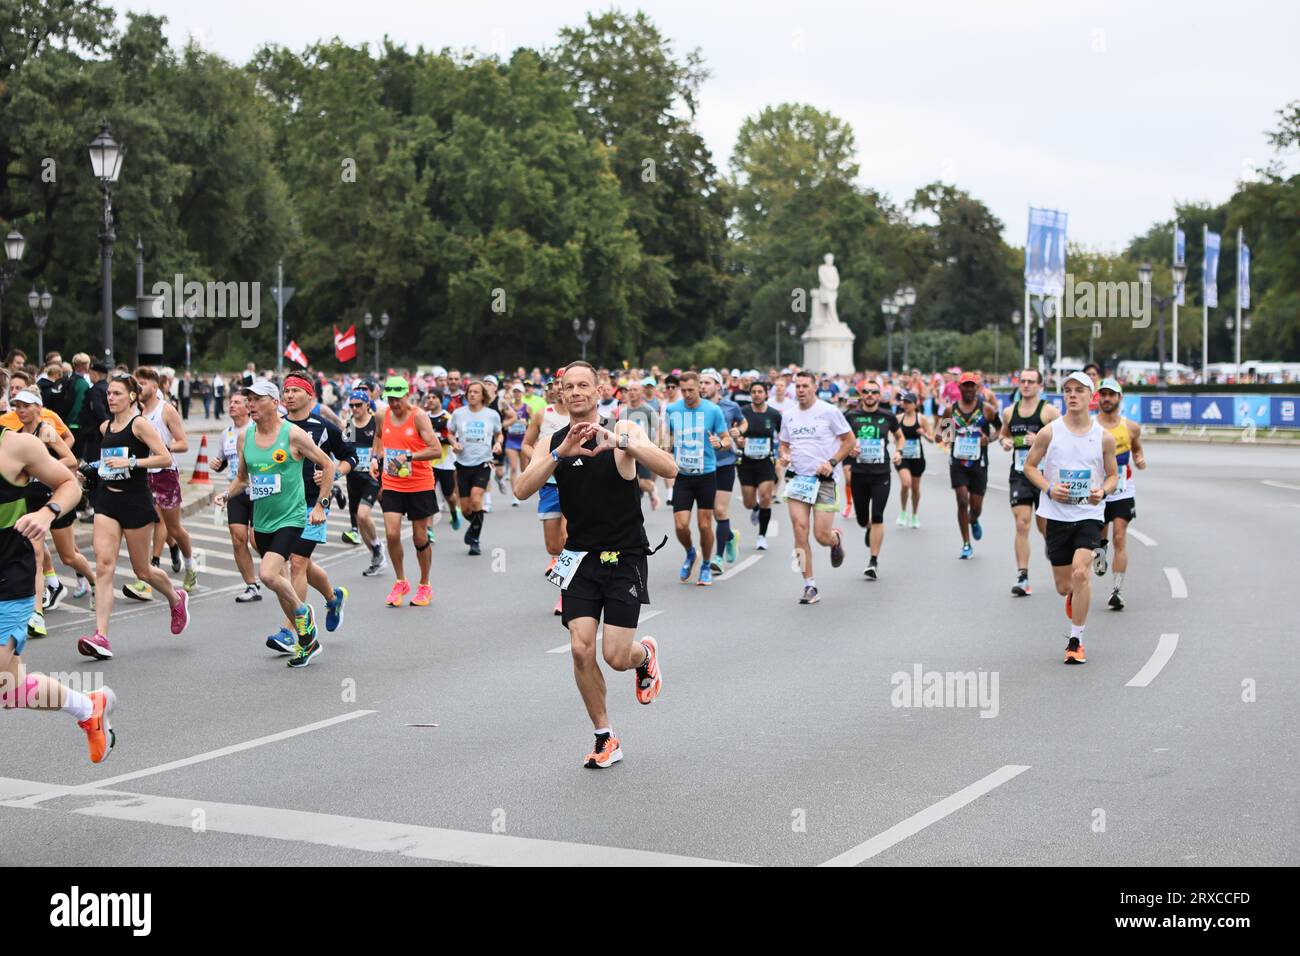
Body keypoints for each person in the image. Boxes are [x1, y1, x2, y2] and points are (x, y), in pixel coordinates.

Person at [513, 361, 676, 769]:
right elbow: (521, 489)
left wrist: (623, 444)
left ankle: (644, 657)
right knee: (581, 649)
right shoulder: (551, 439)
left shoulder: (623, 429)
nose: (576, 393)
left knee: (616, 656)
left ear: (598, 391)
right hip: (579, 557)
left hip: (625, 556)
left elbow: (670, 468)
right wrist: (558, 455)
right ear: (561, 395)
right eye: (568, 387)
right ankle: (605, 736)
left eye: (583, 385)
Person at [0, 416, 117, 763]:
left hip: (9, 581)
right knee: (9, 689)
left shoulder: (16, 446)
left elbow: (70, 483)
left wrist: (47, 513)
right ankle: (88, 707)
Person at [215, 381, 336, 668]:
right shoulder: (246, 437)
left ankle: (303, 615)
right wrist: (226, 493)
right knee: (279, 584)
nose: (250, 405)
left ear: (273, 401)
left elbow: (327, 465)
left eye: (256, 399)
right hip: (263, 520)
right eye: (248, 400)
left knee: (268, 574)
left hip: (291, 518)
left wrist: (321, 504)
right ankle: (306, 642)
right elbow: (243, 477)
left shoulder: (293, 434)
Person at [77, 374, 191, 660]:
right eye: (109, 394)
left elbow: (164, 457)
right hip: (107, 500)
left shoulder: (139, 424)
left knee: (143, 571)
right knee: (104, 566)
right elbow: (107, 462)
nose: (110, 398)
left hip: (136, 501)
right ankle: (101, 636)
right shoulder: (106, 426)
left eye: (116, 393)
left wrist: (132, 462)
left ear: (131, 396)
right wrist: (91, 469)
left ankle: (176, 598)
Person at [1023, 372, 1118, 664]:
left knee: (1081, 573)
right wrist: (1049, 488)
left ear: (1091, 397)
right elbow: (1029, 467)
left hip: (1089, 514)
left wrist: (1102, 491)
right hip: (1056, 516)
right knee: (1065, 585)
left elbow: (1113, 476)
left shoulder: (1104, 438)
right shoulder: (1049, 432)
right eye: (1067, 390)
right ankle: (1074, 596)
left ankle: (1076, 639)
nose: (1072, 395)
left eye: (1079, 390)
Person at [280, 374, 352, 640]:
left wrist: (334, 475)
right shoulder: (278, 427)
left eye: (295, 390)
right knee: (302, 562)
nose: (288, 395)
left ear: (310, 395)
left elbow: (349, 456)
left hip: (314, 503)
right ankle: (333, 598)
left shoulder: (325, 427)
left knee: (297, 562)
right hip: (283, 505)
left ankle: (293, 630)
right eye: (285, 390)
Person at [11, 390, 94, 615]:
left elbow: (69, 459)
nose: (20, 410)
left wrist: (44, 465)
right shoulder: (17, 436)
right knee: (35, 553)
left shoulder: (45, 431)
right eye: (17, 406)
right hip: (30, 499)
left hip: (54, 497)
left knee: (68, 556)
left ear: (38, 407)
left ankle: (95, 581)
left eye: (25, 406)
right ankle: (36, 613)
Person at [777, 371, 854, 604]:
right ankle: (809, 585)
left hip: (824, 481)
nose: (800, 390)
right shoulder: (788, 415)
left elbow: (849, 440)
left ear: (814, 387)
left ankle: (834, 540)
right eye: (797, 386)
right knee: (799, 530)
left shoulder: (829, 411)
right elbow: (784, 444)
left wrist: (831, 463)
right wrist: (784, 455)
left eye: (805, 386)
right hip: (798, 480)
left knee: (820, 536)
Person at [370, 376, 440, 605]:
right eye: (390, 398)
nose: (394, 403)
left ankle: (425, 584)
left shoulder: (418, 416)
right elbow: (378, 438)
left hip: (419, 483)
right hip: (392, 482)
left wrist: (409, 456)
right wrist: (374, 458)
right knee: (391, 533)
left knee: (420, 536)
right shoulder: (382, 414)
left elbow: (435, 449)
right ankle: (400, 581)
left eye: (398, 398)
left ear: (406, 395)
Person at [663, 371, 729, 586]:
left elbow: (726, 438)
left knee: (704, 525)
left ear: (699, 387)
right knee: (681, 526)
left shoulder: (713, 410)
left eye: (691, 390)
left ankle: (707, 564)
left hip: (706, 475)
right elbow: (667, 437)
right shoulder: (673, 410)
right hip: (682, 475)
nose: (688, 394)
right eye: (684, 391)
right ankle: (691, 553)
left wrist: (721, 443)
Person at [999, 368, 1060, 595]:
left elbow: (1064, 439)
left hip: (1043, 477)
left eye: (1031, 382)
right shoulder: (1009, 412)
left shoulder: (1049, 413)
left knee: (1044, 525)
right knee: (1021, 523)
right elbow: (1003, 433)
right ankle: (1022, 576)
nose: (1025, 385)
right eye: (1023, 381)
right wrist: (1004, 442)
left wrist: (1041, 441)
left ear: (1040, 386)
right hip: (1019, 474)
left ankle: (1050, 543)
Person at [1093, 379, 1145, 610]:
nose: (1106, 398)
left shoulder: (1131, 427)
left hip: (1123, 489)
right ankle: (1100, 549)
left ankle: (1117, 590)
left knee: (1120, 536)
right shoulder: (1091, 426)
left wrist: (1140, 459)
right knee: (1100, 537)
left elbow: (1137, 448)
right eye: (1103, 394)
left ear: (1119, 398)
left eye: (1111, 395)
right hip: (1099, 489)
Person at [845, 380, 904, 580]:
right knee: (863, 519)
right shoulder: (851, 416)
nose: (870, 395)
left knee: (878, 515)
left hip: (881, 474)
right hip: (859, 474)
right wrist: (849, 448)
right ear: (861, 395)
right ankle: (868, 527)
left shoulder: (887, 416)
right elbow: (840, 438)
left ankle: (873, 561)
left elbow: (900, 437)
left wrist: (898, 451)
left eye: (874, 392)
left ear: (879, 396)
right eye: (866, 392)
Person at [939, 372, 1001, 559]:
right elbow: (945, 433)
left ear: (977, 388)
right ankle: (966, 544)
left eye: (971, 386)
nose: (968, 389)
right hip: (958, 462)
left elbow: (999, 429)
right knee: (962, 500)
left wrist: (988, 439)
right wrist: (945, 437)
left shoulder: (987, 409)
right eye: (965, 385)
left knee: (975, 507)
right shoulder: (951, 410)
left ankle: (973, 520)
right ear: (960, 388)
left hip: (979, 463)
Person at [522, 376, 570, 614]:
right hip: (549, 484)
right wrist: (543, 459)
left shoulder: (580, 414)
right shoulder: (543, 414)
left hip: (575, 483)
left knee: (568, 538)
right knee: (553, 545)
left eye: (566, 385)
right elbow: (526, 444)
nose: (560, 390)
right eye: (557, 386)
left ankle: (566, 594)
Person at [209, 391, 261, 603]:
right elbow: (224, 461)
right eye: (230, 402)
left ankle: (277, 570)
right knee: (238, 538)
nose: (231, 405)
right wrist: (217, 464)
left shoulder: (256, 430)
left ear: (248, 407)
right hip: (236, 490)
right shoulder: (226, 433)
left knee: (256, 540)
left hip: (258, 491)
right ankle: (251, 585)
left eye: (237, 402)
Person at [699, 369, 746, 573]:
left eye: (707, 383)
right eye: (700, 383)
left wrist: (739, 431)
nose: (702, 387)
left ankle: (717, 557)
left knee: (719, 510)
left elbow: (742, 421)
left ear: (718, 386)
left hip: (725, 463)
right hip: (702, 466)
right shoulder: (696, 407)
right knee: (707, 514)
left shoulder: (730, 406)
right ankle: (730, 536)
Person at [448, 380, 502, 556]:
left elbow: (499, 434)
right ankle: (474, 525)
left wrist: (498, 444)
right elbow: (449, 433)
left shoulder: (491, 415)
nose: (472, 395)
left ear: (483, 396)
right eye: (470, 392)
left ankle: (475, 540)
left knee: (476, 499)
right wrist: (454, 443)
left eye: (476, 392)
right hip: (463, 463)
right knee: (465, 509)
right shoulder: (458, 414)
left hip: (483, 462)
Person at [342, 390, 385, 575]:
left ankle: (377, 546)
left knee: (363, 514)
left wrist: (376, 459)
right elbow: (347, 450)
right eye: (351, 405)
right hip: (353, 478)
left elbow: (382, 447)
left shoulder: (375, 422)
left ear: (368, 404)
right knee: (360, 520)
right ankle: (376, 556)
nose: (354, 408)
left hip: (372, 478)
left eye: (358, 405)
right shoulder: (350, 424)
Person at [737, 380, 781, 550]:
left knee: (765, 497)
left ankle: (762, 536)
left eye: (759, 391)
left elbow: (783, 436)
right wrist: (738, 440)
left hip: (765, 462)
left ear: (766, 394)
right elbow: (735, 432)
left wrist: (783, 451)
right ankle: (754, 508)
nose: (756, 394)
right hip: (746, 462)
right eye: (753, 391)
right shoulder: (742, 413)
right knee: (748, 502)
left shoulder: (774, 415)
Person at [894, 391, 932, 528]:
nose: (906, 405)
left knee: (915, 488)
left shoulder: (921, 419)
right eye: (904, 402)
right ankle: (903, 512)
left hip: (917, 458)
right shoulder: (898, 418)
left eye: (909, 402)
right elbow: (894, 436)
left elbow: (932, 439)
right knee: (906, 484)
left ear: (915, 404)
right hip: (902, 457)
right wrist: (896, 445)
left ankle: (914, 515)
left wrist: (924, 434)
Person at [503, 384, 530, 505]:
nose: (517, 394)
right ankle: (515, 495)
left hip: (523, 440)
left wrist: (526, 423)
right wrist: (512, 421)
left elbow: (534, 424)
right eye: (515, 392)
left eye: (519, 392)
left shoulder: (527, 408)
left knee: (524, 469)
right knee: (513, 468)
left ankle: (523, 490)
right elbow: (503, 424)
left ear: (523, 393)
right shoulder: (509, 408)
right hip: (511, 440)